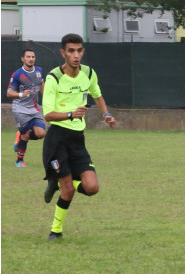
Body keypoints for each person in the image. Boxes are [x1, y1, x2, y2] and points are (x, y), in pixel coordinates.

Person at [41, 33, 116, 241]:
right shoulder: (53, 77)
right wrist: (70, 114)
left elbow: (97, 94)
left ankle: (56, 181)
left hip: (77, 140)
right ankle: (55, 231)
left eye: (79, 50)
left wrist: (106, 114)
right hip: (56, 139)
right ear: (63, 53)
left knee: (92, 188)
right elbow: (47, 114)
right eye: (71, 51)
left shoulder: (89, 73)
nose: (76, 55)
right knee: (68, 190)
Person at [7, 49, 47, 167]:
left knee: (41, 133)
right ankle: (19, 160)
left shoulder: (39, 71)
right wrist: (21, 94)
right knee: (25, 135)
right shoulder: (17, 74)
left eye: (33, 57)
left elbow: (41, 85)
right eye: (28, 57)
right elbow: (9, 93)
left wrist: (47, 98)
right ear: (23, 59)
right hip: (20, 109)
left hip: (34, 108)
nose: (31, 59)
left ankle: (19, 137)